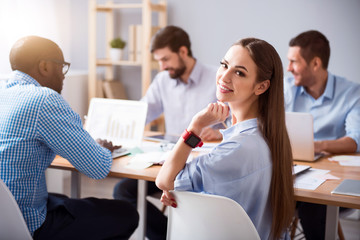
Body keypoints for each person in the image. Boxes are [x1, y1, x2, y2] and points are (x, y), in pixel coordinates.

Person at [0, 36, 139, 239]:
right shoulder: (44, 100)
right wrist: (101, 147)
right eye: (62, 66)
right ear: (45, 66)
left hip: (5, 218)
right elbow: (97, 167)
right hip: (29, 225)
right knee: (125, 213)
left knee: (63, 200)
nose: (63, 75)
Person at [156, 38, 295, 240]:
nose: (224, 76)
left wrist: (195, 126)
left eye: (239, 72)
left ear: (261, 86)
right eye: (224, 65)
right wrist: (185, 197)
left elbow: (164, 180)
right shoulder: (267, 136)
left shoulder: (239, 148)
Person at [113, 25, 225, 240]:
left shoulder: (217, 79)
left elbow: (238, 124)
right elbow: (143, 112)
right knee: (123, 191)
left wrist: (219, 134)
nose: (162, 67)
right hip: (170, 162)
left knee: (192, 199)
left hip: (203, 165)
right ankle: (168, 235)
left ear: (183, 52)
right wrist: (113, 121)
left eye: (165, 59)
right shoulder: (163, 80)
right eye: (159, 61)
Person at [285, 30, 360, 240]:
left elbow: (355, 140)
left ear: (315, 63)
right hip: (290, 172)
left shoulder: (352, 93)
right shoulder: (286, 89)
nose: (289, 68)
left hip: (326, 182)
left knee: (314, 204)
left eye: (294, 61)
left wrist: (315, 146)